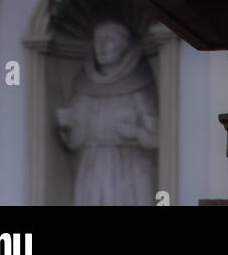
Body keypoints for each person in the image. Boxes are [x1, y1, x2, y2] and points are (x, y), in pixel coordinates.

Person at [56, 20, 158, 206]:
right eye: (97, 41)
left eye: (109, 40)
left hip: (129, 164)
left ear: (124, 46)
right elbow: (75, 140)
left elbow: (157, 134)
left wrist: (135, 133)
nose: (101, 47)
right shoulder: (84, 85)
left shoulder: (139, 83)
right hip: (92, 163)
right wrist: (68, 126)